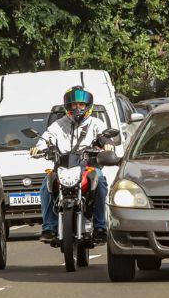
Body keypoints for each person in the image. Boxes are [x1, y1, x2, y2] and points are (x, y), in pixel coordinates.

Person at [29, 86, 114, 243]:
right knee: (46, 184)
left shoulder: (96, 123)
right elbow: (47, 138)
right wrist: (38, 148)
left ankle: (100, 227)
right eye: (74, 104)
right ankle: (49, 228)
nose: (77, 108)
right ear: (68, 106)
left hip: (88, 166)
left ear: (88, 106)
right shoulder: (59, 124)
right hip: (62, 166)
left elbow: (104, 137)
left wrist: (107, 143)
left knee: (101, 182)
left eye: (81, 105)